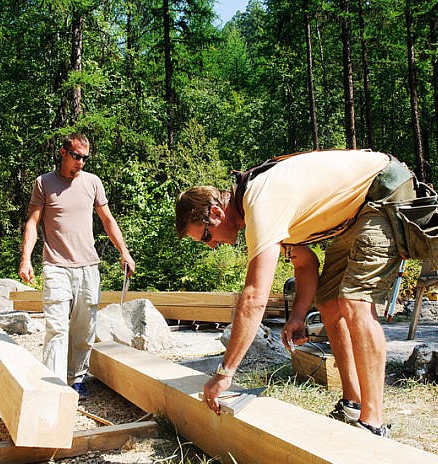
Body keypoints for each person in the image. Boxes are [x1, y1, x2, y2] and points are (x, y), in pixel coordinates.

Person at [175, 149, 420, 437]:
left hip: (382, 193)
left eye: (205, 235)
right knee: (329, 302)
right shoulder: (259, 209)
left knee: (354, 301)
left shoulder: (261, 202)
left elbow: (254, 298)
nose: (211, 246)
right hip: (355, 214)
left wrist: (225, 373)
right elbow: (305, 262)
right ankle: (352, 402)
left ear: (216, 213)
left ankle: (372, 422)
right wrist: (298, 317)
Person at [19, 133, 135, 395]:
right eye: (76, 156)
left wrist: (124, 252)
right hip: (56, 266)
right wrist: (26, 259)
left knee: (84, 329)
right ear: (63, 153)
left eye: (85, 158)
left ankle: (77, 379)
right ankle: (53, 386)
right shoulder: (44, 183)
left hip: (88, 267)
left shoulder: (93, 183)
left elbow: (108, 220)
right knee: (57, 328)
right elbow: (33, 223)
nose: (81, 162)